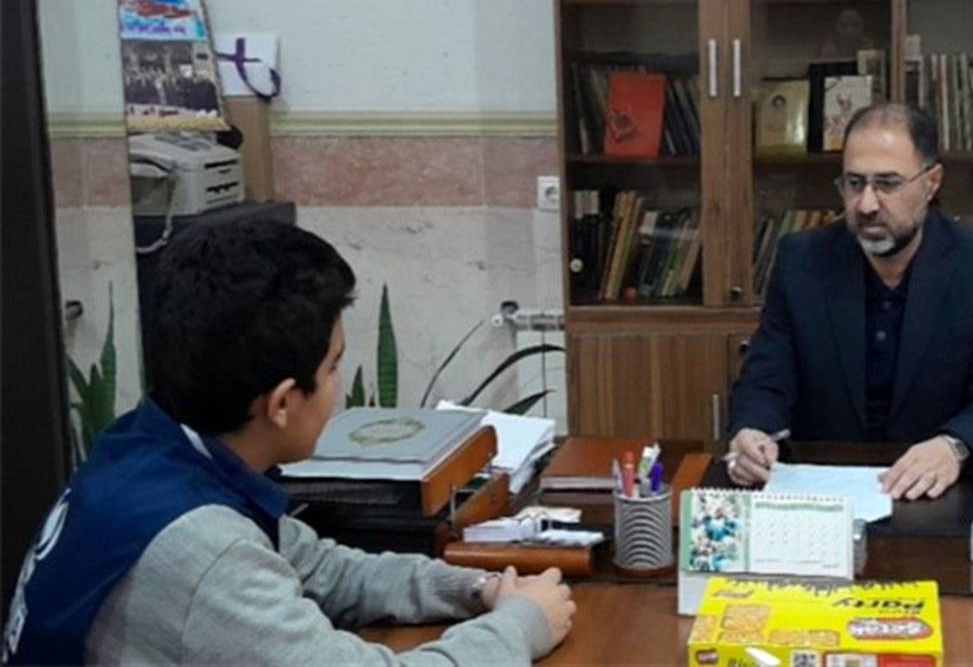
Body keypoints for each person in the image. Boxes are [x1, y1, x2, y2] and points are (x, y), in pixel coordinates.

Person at [3, 220, 574, 665]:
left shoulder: (149, 443)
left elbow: (324, 570)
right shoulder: (203, 553)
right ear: (281, 403)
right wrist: (520, 626)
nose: (338, 387)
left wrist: (479, 588)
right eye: (332, 368)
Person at [727, 103, 973, 500]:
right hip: (823, 490)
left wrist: (953, 447)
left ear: (931, 183)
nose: (866, 204)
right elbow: (766, 379)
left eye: (887, 184)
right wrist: (753, 431)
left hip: (936, 492)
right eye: (855, 183)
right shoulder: (802, 261)